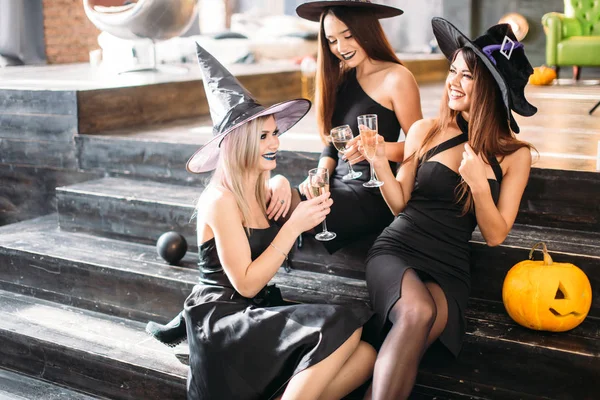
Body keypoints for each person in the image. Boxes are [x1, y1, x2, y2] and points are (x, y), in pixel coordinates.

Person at [150, 43, 376, 400]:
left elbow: (274, 189)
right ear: (239, 144)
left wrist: (281, 181)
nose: (275, 143)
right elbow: (247, 284)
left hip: (253, 314)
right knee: (343, 326)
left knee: (366, 356)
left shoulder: (258, 185)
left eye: (275, 134)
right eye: (264, 136)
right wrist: (292, 227)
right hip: (223, 323)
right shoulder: (219, 200)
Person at [360, 18, 538, 399]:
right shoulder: (426, 129)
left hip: (450, 267)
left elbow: (495, 235)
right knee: (418, 314)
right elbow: (399, 204)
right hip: (398, 249)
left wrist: (478, 186)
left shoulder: (515, 156)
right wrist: (378, 162)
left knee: (421, 325)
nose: (453, 82)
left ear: (490, 86)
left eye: (467, 75)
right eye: (452, 71)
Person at [290, 0, 423, 253]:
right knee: (274, 198)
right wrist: (321, 176)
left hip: (374, 193)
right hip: (336, 186)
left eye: (347, 35)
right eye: (331, 40)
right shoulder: (341, 78)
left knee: (280, 207)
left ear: (366, 30)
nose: (340, 48)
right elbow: (331, 144)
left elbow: (421, 146)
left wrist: (376, 151)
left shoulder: (397, 78)